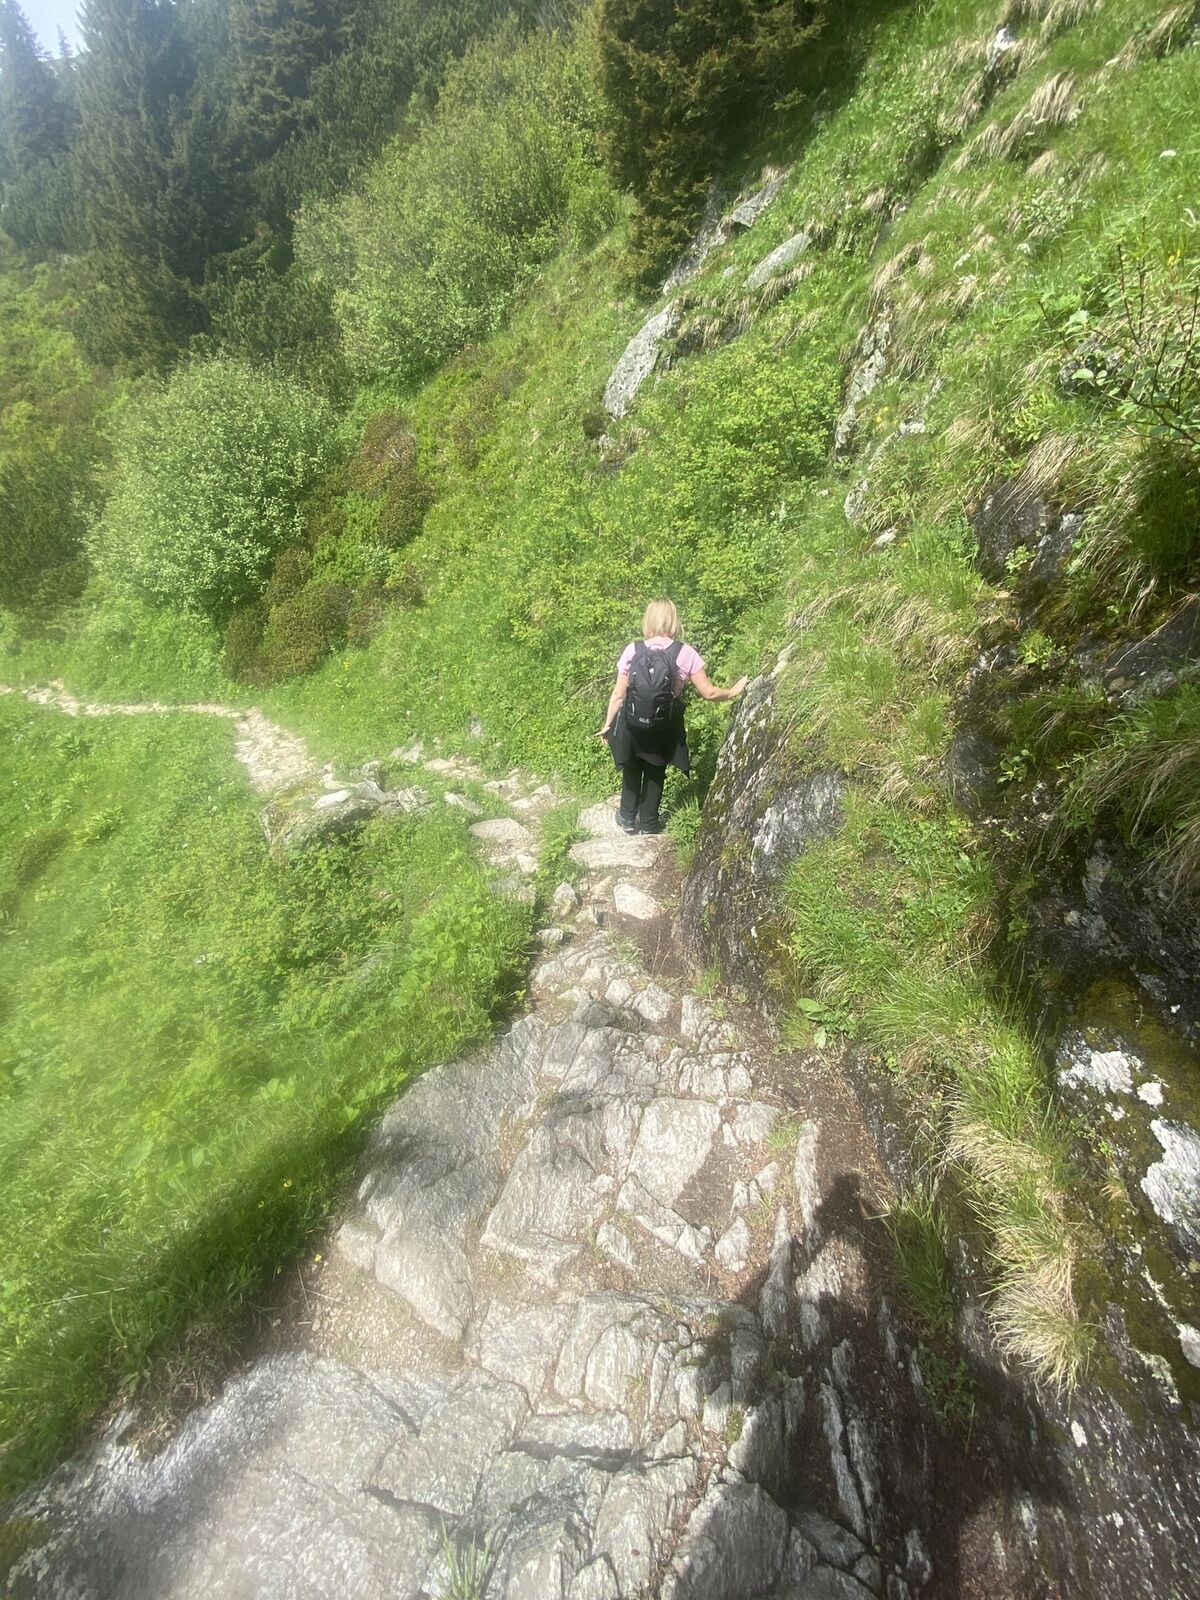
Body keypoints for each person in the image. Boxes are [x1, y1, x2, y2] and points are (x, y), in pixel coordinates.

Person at [596, 598, 748, 834]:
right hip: (663, 725)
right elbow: (708, 692)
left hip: (631, 722)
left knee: (632, 765)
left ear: (648, 619)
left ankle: (626, 817)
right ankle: (648, 824)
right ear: (673, 620)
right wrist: (732, 691)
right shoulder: (685, 653)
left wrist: (607, 724)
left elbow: (618, 694)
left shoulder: (633, 649)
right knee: (656, 768)